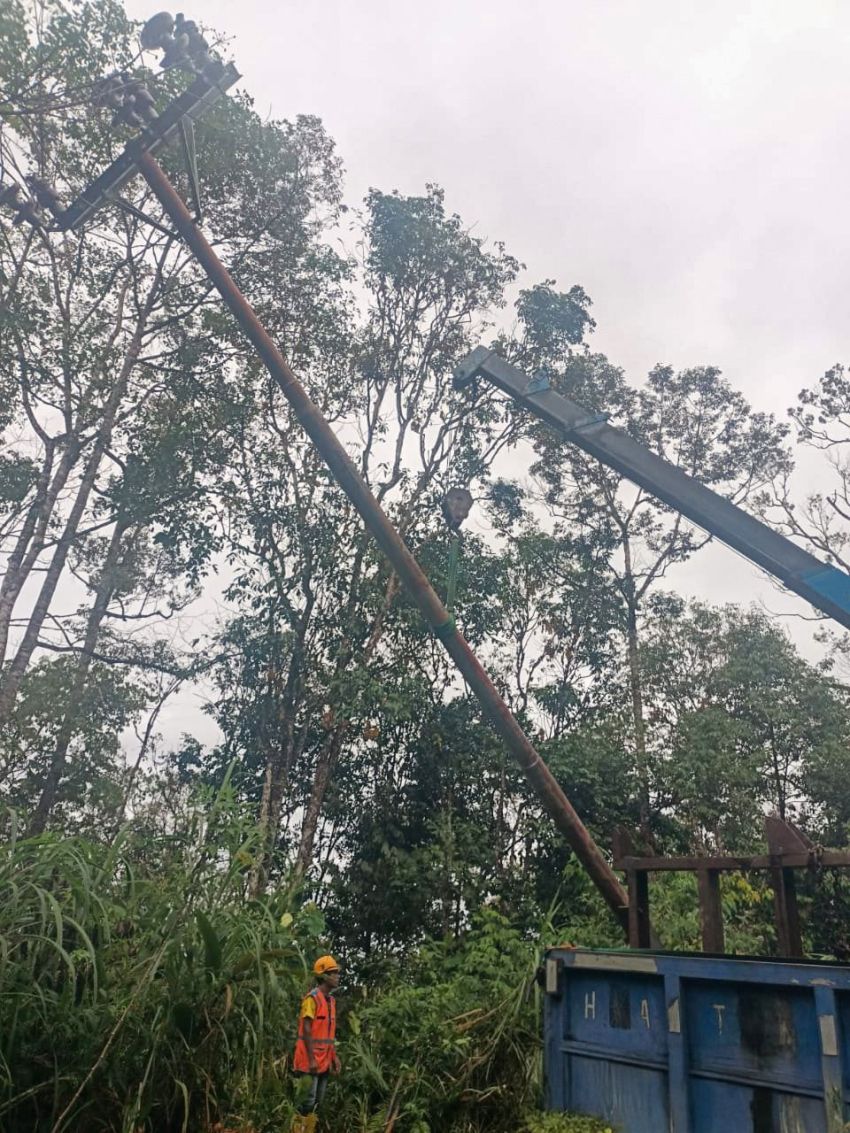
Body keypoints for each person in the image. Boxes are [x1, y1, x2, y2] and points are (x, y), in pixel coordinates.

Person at [291, 955, 341, 1132]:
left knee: (318, 1102)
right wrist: (312, 1059)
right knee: (307, 1102)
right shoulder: (311, 999)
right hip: (309, 1061)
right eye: (334, 973)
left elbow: (328, 1034)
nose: (337, 976)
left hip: (324, 1060)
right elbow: (306, 1029)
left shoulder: (331, 1001)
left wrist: (334, 1057)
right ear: (324, 976)